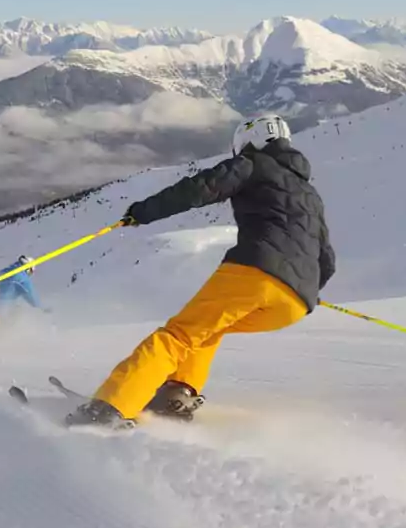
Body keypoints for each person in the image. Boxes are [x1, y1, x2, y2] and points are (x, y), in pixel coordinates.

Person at [65, 114, 335, 428]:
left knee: (176, 337)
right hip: (293, 304)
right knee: (208, 329)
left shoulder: (254, 164)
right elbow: (327, 260)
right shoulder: (311, 195)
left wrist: (142, 212)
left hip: (254, 273)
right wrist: (303, 286)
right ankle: (176, 393)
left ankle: (109, 409)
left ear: (251, 139)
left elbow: (200, 188)